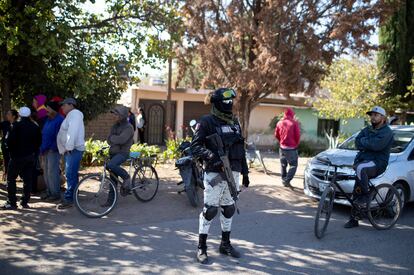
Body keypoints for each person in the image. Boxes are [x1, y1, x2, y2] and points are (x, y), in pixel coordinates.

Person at [191, 88, 250, 264]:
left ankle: (225, 244)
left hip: (234, 172)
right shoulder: (207, 122)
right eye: (225, 101)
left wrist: (245, 173)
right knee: (210, 210)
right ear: (217, 102)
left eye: (231, 100)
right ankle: (201, 247)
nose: (229, 103)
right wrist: (212, 157)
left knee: (229, 208)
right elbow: (195, 147)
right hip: (215, 173)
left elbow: (241, 149)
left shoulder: (235, 123)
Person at [344, 106, 394, 228]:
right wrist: (367, 143)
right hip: (364, 160)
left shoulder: (387, 132)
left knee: (360, 169)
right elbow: (357, 141)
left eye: (376, 115)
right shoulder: (367, 129)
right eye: (371, 115)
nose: (373, 117)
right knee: (357, 190)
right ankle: (354, 219)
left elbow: (376, 146)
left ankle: (367, 196)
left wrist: (365, 142)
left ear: (383, 118)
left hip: (378, 162)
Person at [2, 107, 41, 209]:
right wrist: (33, 152)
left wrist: (11, 152)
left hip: (16, 157)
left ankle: (12, 202)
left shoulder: (15, 125)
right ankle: (24, 202)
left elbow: (9, 141)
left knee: (11, 179)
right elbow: (38, 142)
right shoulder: (35, 126)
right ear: (28, 115)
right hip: (30, 157)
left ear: (19, 114)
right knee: (27, 179)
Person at [57, 98, 85, 209]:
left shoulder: (75, 114)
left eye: (63, 105)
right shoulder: (72, 115)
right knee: (72, 174)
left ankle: (69, 199)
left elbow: (72, 132)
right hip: (72, 149)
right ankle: (74, 196)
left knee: (70, 174)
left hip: (73, 149)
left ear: (71, 105)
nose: (62, 107)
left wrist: (68, 147)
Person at [105, 105, 135, 203]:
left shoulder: (129, 127)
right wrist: (114, 139)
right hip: (113, 152)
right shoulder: (115, 126)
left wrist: (113, 138)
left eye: (116, 114)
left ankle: (126, 177)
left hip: (123, 153)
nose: (114, 116)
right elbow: (108, 139)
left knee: (111, 165)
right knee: (112, 177)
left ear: (122, 115)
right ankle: (111, 200)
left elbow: (122, 139)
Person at [39, 101, 64, 202]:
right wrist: (42, 149)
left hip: (53, 150)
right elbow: (44, 135)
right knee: (46, 172)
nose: (46, 111)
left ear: (54, 109)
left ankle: (55, 194)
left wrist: (52, 147)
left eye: (48, 108)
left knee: (52, 172)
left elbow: (59, 136)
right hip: (45, 150)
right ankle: (49, 191)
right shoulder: (48, 120)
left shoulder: (60, 120)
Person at [274, 107, 301, 187]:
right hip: (291, 148)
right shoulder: (294, 123)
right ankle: (286, 180)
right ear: (292, 114)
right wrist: (296, 144)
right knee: (293, 165)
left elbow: (276, 135)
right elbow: (297, 136)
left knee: (283, 165)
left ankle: (284, 180)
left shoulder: (279, 123)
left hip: (282, 148)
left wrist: (281, 141)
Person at [1, 109, 19, 181]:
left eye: (9, 114)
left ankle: (15, 175)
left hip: (15, 148)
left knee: (15, 162)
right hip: (5, 147)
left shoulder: (18, 125)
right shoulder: (4, 123)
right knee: (6, 161)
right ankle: (7, 176)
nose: (7, 115)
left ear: (14, 116)